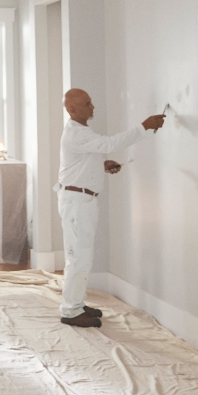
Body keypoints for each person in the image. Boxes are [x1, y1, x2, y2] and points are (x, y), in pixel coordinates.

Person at [56, 88, 165, 328]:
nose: (92, 106)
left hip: (81, 201)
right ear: (72, 109)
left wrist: (100, 165)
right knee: (78, 257)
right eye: (87, 103)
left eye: (91, 101)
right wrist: (143, 127)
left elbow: (86, 157)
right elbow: (110, 142)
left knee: (82, 255)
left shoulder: (81, 132)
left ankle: (75, 303)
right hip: (77, 203)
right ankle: (71, 311)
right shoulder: (76, 134)